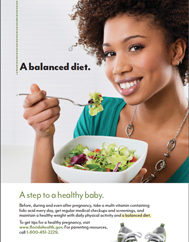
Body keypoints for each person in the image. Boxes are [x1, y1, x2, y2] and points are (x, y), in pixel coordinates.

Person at [23, 0, 188, 183]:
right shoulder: (97, 117)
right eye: (110, 53)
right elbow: (50, 207)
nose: (118, 68)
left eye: (135, 47)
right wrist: (43, 135)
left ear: (176, 51)